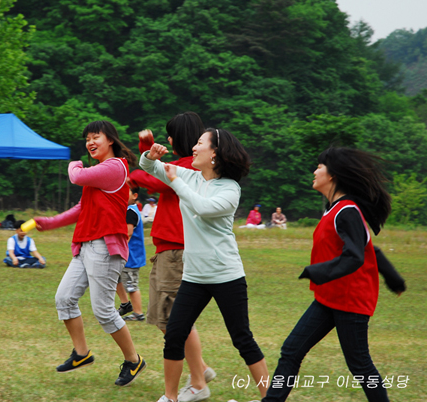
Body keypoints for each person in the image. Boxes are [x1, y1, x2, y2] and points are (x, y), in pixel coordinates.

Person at [259, 147, 406, 402]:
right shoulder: (336, 209)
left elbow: (356, 255)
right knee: (291, 350)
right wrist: (394, 279)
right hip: (329, 298)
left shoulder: (347, 210)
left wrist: (318, 271)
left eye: (319, 167)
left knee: (360, 365)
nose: (314, 171)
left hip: (350, 300)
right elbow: (370, 248)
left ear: (333, 174)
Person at [141, 128, 269, 402]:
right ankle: (170, 398)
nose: (194, 148)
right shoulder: (189, 176)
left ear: (215, 153)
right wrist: (150, 156)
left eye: (200, 143)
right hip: (194, 277)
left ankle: (270, 398)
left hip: (226, 276)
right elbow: (150, 168)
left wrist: (176, 181)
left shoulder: (230, 189)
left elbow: (203, 207)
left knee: (242, 339)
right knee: (175, 334)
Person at [34, 121, 146, 386]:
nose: (90, 143)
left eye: (95, 137)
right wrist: (50, 223)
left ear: (111, 140)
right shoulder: (99, 173)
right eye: (87, 139)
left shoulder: (115, 167)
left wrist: (74, 162)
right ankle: (81, 353)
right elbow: (81, 208)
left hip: (105, 247)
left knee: (104, 311)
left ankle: (133, 360)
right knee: (64, 299)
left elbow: (76, 176)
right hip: (85, 245)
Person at [130, 112, 216, 402]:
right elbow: (154, 171)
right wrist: (148, 149)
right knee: (166, 318)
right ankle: (200, 369)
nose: (168, 139)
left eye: (171, 134)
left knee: (175, 319)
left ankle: (198, 381)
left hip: (177, 250)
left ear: (181, 137)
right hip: (167, 249)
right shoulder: (181, 164)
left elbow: (148, 178)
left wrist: (136, 164)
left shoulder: (186, 167)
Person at [119, 186, 146, 322]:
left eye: (126, 192)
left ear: (135, 196)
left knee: (131, 286)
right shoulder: (129, 210)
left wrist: (120, 248)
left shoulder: (131, 211)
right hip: (128, 256)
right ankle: (125, 304)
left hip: (131, 257)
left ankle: (138, 313)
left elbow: (128, 233)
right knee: (118, 280)